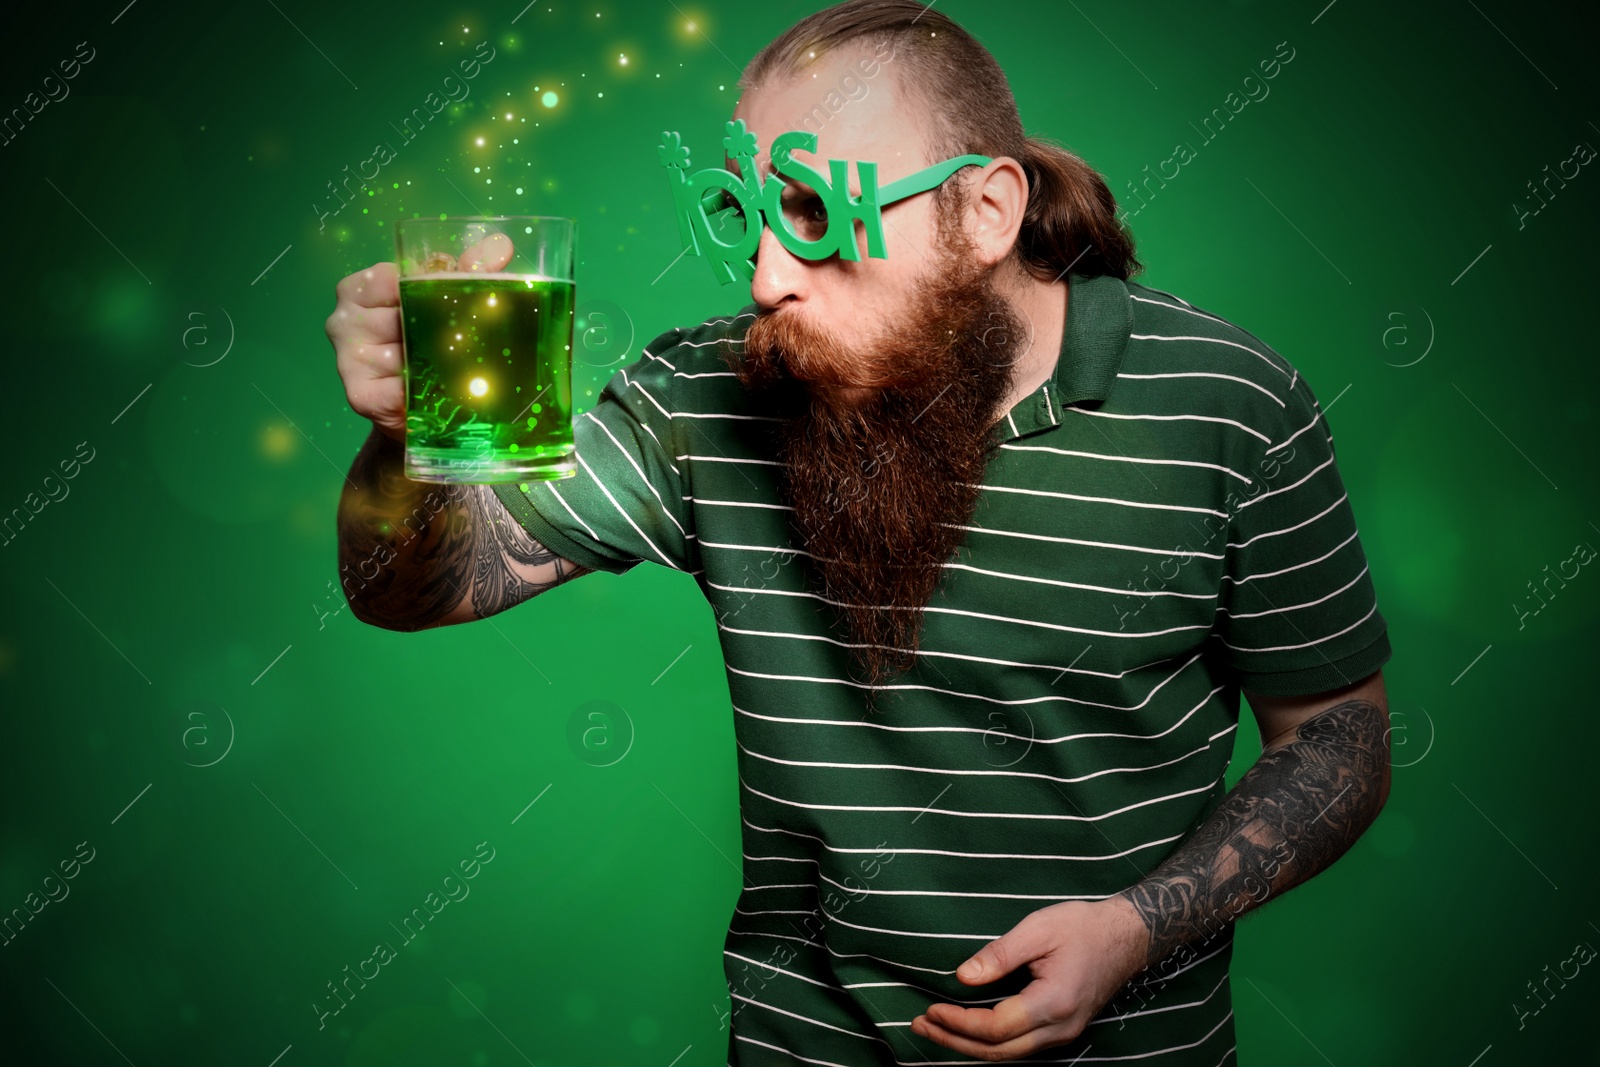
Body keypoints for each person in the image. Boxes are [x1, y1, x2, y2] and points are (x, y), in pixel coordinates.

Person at [325, 2, 1393, 1062]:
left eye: (815, 214)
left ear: (984, 210)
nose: (765, 278)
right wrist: (399, 440)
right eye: (743, 214)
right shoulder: (714, 392)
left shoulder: (1228, 404)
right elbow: (415, 584)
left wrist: (1137, 926)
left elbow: (1339, 738)